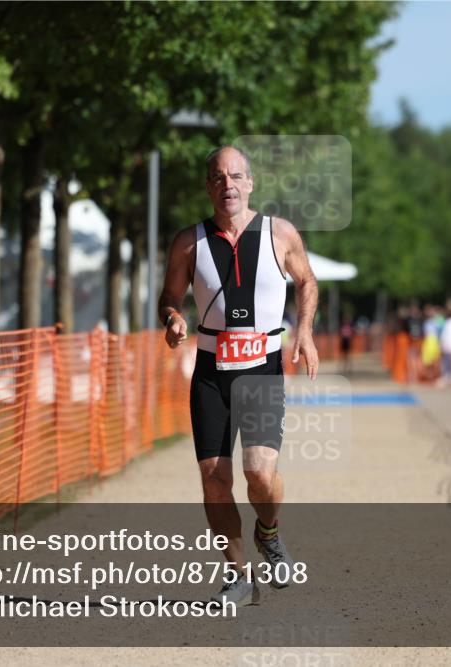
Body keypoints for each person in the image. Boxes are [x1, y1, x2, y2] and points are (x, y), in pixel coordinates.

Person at [158, 146, 319, 606]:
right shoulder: (188, 242)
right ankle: (237, 574)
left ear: (249, 183)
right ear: (208, 186)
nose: (227, 184)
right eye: (217, 177)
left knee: (259, 473)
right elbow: (169, 296)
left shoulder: (280, 233)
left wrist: (304, 331)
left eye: (235, 176)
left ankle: (268, 533)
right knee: (214, 477)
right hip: (211, 370)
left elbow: (307, 280)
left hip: (263, 367)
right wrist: (172, 317)